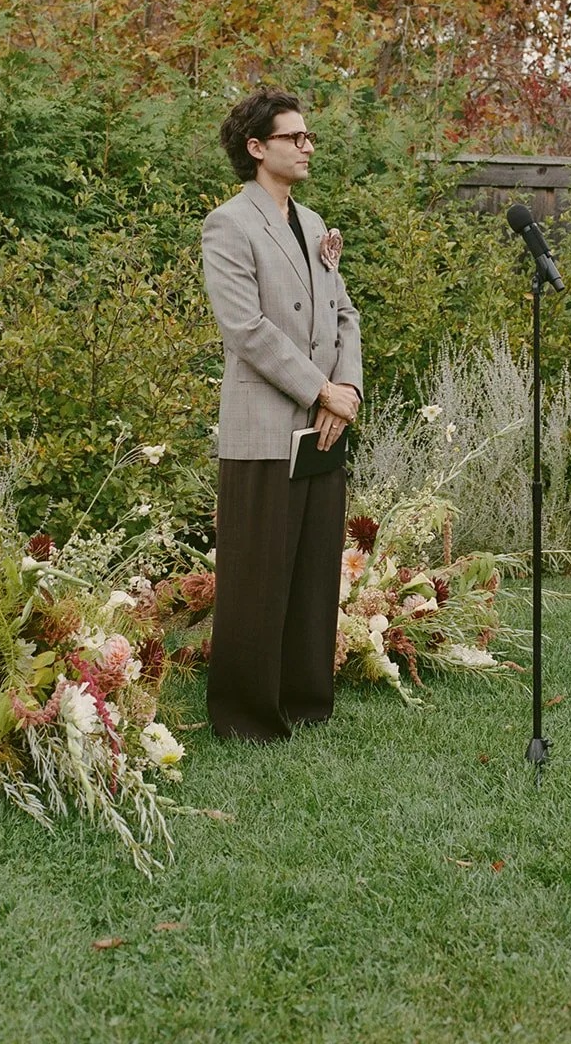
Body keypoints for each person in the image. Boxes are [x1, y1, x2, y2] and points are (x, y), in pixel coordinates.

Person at [201, 87, 363, 741]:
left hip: (324, 423)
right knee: (258, 576)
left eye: (308, 136)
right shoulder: (228, 224)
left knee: (314, 569)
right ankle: (246, 713)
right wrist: (320, 391)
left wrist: (346, 389)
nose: (307, 146)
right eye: (294, 137)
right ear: (256, 147)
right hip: (266, 426)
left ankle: (304, 698)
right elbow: (246, 328)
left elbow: (345, 313)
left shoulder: (314, 220)